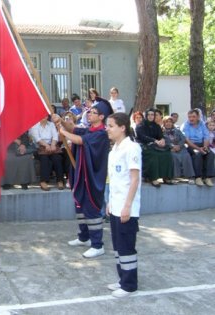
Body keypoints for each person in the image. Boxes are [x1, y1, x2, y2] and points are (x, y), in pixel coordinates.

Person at [52, 97, 113, 258]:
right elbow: (73, 128)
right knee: (79, 205)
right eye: (90, 111)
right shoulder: (89, 129)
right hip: (81, 174)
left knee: (91, 208)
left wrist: (62, 132)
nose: (89, 114)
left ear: (101, 117)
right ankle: (84, 237)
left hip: (92, 177)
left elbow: (79, 140)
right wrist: (61, 121)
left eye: (93, 112)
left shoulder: (101, 133)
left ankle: (97, 244)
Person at [105, 112, 141, 298]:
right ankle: (122, 279)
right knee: (118, 246)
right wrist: (110, 202)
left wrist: (127, 206)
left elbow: (134, 180)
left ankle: (129, 285)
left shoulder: (132, 148)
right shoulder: (114, 150)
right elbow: (114, 181)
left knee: (127, 246)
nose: (107, 129)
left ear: (122, 127)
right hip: (116, 205)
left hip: (128, 207)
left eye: (111, 126)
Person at [136, 108, 174, 187]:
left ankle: (166, 177)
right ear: (146, 116)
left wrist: (162, 140)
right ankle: (152, 178)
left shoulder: (156, 126)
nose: (150, 116)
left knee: (167, 154)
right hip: (144, 145)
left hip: (156, 145)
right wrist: (155, 141)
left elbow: (160, 136)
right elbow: (142, 137)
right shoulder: (140, 125)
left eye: (152, 115)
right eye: (149, 115)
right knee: (153, 154)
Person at [30, 116, 65, 191]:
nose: (44, 116)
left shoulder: (51, 124)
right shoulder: (34, 125)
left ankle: (60, 180)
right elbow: (37, 139)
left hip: (52, 147)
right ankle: (43, 181)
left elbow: (55, 136)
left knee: (57, 158)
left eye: (45, 115)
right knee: (44, 159)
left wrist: (52, 145)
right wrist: (46, 146)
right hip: (39, 148)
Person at [182, 109, 214, 187]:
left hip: (202, 144)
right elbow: (187, 140)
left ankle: (207, 177)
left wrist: (205, 147)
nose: (191, 119)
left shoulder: (202, 124)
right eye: (189, 117)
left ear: (198, 117)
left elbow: (206, 136)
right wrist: (199, 149)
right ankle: (198, 177)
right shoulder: (186, 125)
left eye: (193, 116)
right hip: (191, 145)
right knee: (198, 154)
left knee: (211, 154)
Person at [162, 116, 195, 182]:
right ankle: (175, 176)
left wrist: (179, 146)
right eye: (167, 122)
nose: (168, 123)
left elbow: (183, 138)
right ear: (164, 123)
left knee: (186, 156)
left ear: (172, 123)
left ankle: (190, 176)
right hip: (170, 149)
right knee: (173, 156)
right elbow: (164, 141)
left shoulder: (177, 130)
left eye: (170, 122)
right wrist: (172, 146)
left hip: (181, 148)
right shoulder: (162, 132)